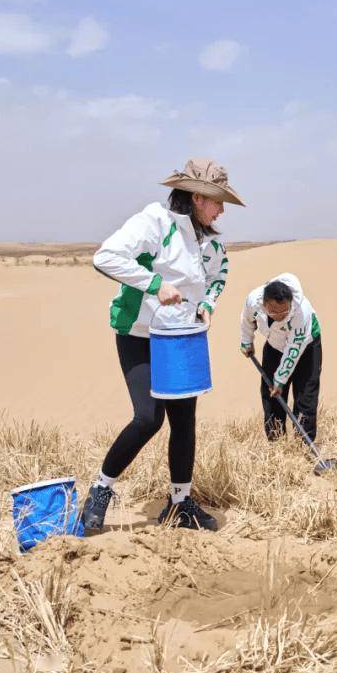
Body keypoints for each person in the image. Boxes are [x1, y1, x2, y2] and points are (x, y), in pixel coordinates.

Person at [82, 158, 244, 532]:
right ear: (198, 196)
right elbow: (105, 257)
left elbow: (219, 277)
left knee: (184, 420)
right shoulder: (155, 221)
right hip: (139, 335)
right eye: (218, 201)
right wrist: (155, 285)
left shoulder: (212, 241)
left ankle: (179, 504)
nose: (221, 210)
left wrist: (206, 304)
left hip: (182, 337)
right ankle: (100, 491)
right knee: (148, 418)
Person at [239, 273, 323, 442]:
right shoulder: (254, 300)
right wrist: (247, 341)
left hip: (305, 347)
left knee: (305, 396)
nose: (279, 315)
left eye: (284, 311)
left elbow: (293, 351)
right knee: (271, 395)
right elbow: (247, 320)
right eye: (273, 312)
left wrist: (279, 380)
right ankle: (276, 442)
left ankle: (304, 443)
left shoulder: (301, 314)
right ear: (264, 304)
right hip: (275, 346)